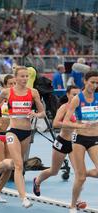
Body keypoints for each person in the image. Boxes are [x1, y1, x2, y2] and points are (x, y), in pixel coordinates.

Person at [0, 66, 45, 208]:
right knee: (19, 165)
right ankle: (24, 198)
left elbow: (42, 113)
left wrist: (36, 114)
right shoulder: (7, 92)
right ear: (15, 78)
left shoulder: (33, 92)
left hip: (26, 133)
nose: (25, 79)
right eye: (22, 76)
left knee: (11, 165)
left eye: (26, 76)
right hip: (13, 131)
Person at [33, 86, 80, 196]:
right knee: (54, 171)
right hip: (62, 142)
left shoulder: (81, 108)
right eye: (73, 94)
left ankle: (77, 200)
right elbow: (55, 124)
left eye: (78, 95)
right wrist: (73, 124)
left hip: (75, 143)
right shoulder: (64, 107)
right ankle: (38, 181)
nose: (76, 97)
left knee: (79, 172)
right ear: (68, 95)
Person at [63, 71, 98, 213]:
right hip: (79, 140)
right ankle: (72, 205)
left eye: (97, 83)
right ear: (85, 81)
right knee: (81, 177)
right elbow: (65, 121)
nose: (95, 85)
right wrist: (80, 126)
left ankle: (84, 173)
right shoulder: (77, 99)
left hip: (95, 139)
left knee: (83, 174)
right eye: (92, 82)